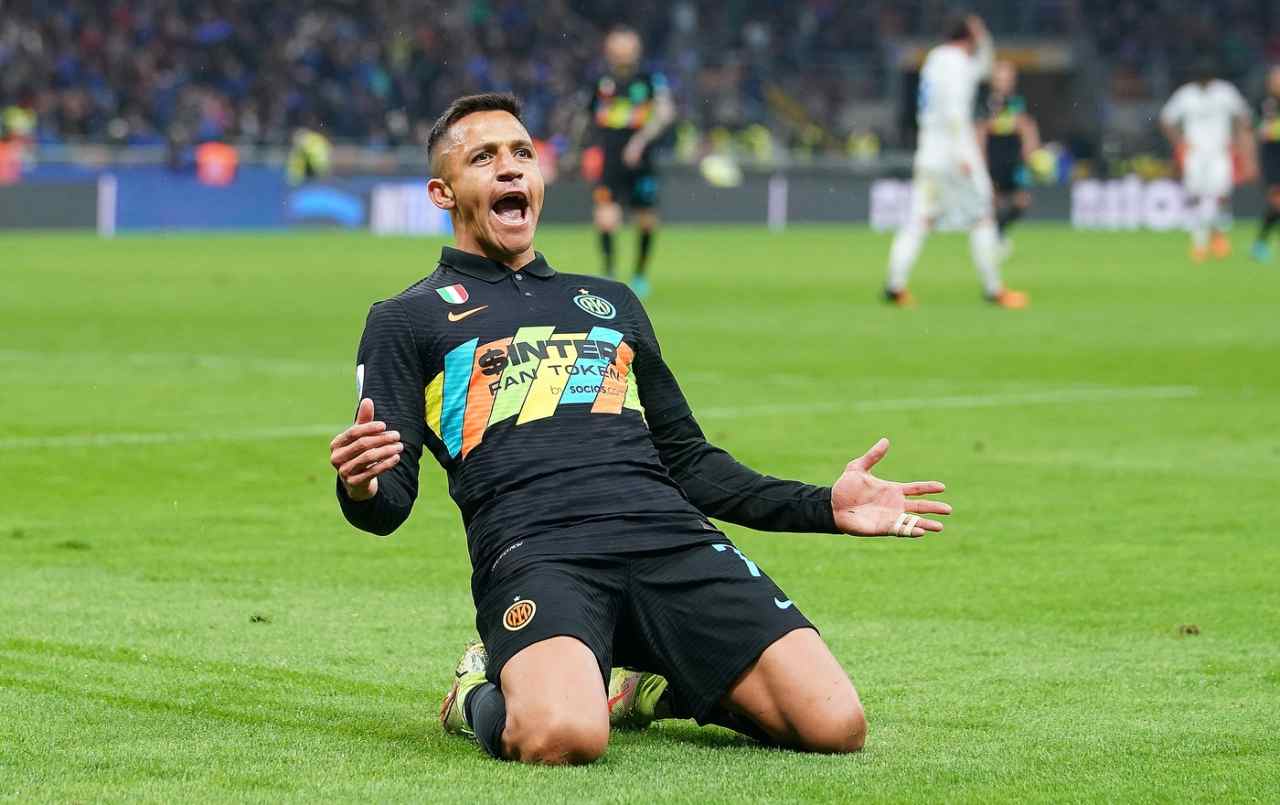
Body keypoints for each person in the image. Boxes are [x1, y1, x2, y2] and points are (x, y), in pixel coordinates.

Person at [329, 93, 952, 765]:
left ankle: (646, 688)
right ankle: (476, 692)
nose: (510, 168)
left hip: (668, 536)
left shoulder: (609, 302)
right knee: (564, 736)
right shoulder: (406, 319)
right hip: (540, 549)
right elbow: (386, 504)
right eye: (484, 157)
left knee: (836, 724)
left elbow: (690, 463)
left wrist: (825, 506)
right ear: (442, 193)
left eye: (522, 153)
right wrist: (361, 486)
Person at [884, 13, 1028, 309]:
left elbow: (984, 66)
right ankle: (994, 290)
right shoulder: (958, 65)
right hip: (955, 152)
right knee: (983, 216)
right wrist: (963, 155)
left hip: (928, 152)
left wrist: (981, 37)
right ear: (969, 36)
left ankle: (894, 286)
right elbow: (955, 113)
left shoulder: (935, 60)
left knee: (919, 219)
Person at [588, 27, 675, 298]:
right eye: (617, 46)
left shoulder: (650, 80)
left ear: (636, 50)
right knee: (605, 218)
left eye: (627, 46)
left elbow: (665, 113)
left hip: (642, 161)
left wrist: (640, 141)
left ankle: (639, 275)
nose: (622, 51)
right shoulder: (602, 82)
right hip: (610, 161)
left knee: (646, 220)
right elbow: (588, 117)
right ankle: (609, 272)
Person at [1159, 62, 1255, 262]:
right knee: (1195, 196)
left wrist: (1238, 142)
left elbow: (1243, 116)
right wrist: (1180, 143)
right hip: (1195, 154)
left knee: (1221, 195)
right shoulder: (1186, 95)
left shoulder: (1225, 92)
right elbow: (1166, 119)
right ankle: (1199, 242)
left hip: (1219, 152)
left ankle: (1218, 233)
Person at [978, 60, 1040, 258]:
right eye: (1001, 78)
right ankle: (992, 241)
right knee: (993, 203)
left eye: (1008, 78)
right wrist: (981, 160)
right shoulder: (985, 102)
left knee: (1022, 201)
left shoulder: (1018, 102)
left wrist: (1031, 152)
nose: (1005, 82)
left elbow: (1027, 126)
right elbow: (980, 131)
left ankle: (997, 235)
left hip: (1013, 158)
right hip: (993, 157)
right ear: (994, 81)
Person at [1252, 65, 1280, 263]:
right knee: (1277, 201)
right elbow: (1262, 131)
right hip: (1271, 158)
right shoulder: (1265, 103)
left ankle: (1259, 244)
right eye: (1275, 79)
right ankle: (1259, 244)